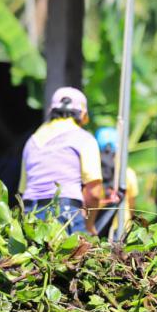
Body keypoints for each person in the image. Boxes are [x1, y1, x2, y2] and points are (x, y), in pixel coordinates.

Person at [20, 87, 111, 235]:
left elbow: (23, 189)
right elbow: (94, 192)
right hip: (65, 213)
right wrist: (89, 225)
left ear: (51, 111)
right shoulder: (84, 138)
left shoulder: (31, 141)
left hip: (30, 214)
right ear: (83, 114)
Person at [93, 126, 140, 234]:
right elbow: (132, 205)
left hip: (97, 228)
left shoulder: (93, 174)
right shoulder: (127, 173)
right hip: (121, 227)